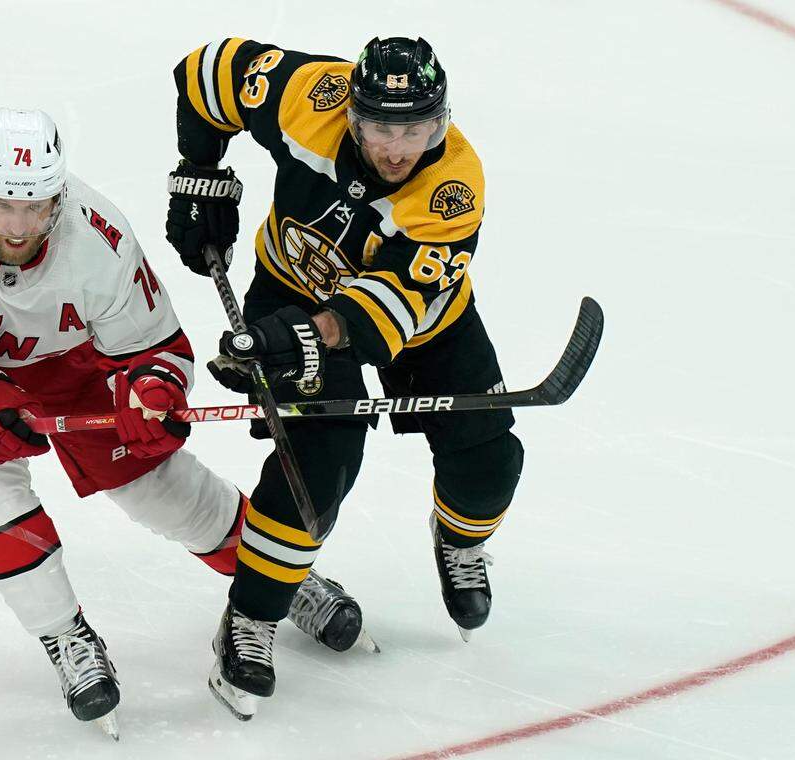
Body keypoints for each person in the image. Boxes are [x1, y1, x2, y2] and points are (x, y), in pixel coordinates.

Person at [0, 107, 368, 738]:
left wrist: (153, 389)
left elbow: (157, 349)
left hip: (67, 361)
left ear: (60, 195)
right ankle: (66, 638)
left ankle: (281, 578)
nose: (19, 224)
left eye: (36, 206)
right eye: (4, 203)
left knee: (156, 486)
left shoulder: (98, 238)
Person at [165, 37, 525, 718]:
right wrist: (198, 169)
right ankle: (250, 618)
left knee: (488, 461)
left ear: (440, 121)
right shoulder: (309, 97)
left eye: (415, 129)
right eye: (382, 128)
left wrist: (306, 335)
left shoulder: (451, 191)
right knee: (319, 465)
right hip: (291, 289)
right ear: (354, 116)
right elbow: (207, 70)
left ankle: (461, 537)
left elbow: (388, 304)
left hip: (426, 321)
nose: (397, 148)